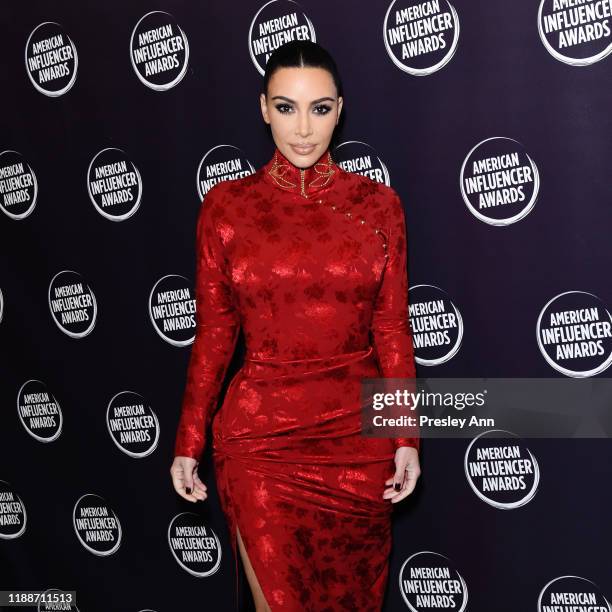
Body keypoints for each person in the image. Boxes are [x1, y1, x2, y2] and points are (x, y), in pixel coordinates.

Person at [170, 39, 421, 612]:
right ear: (263, 108)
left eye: (319, 108)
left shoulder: (379, 206)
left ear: (340, 109)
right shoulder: (227, 208)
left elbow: (391, 329)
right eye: (286, 108)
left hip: (358, 444)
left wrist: (407, 436)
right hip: (261, 444)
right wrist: (188, 440)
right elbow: (213, 333)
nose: (303, 129)